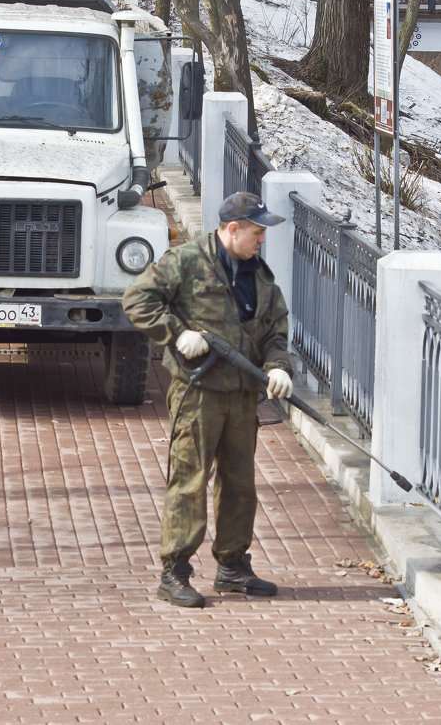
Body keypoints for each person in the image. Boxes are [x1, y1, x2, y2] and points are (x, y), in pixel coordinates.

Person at [122, 192, 294, 608]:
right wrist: (177, 333)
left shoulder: (260, 275)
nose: (261, 240)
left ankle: (232, 567)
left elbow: (275, 328)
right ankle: (175, 572)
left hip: (241, 395)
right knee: (189, 481)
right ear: (231, 229)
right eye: (256, 232)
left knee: (240, 485)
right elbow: (136, 299)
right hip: (198, 392)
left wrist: (278, 366)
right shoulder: (187, 261)